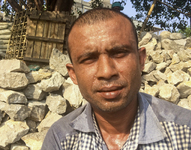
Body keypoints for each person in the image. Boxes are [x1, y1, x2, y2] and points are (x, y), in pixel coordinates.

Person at [41, 8, 191, 150]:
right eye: (89, 59)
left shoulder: (184, 131)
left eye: (119, 53)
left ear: (141, 60)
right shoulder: (60, 138)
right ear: (73, 74)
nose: (106, 72)